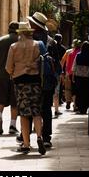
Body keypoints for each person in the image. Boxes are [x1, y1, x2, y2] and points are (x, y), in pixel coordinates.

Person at [5, 22, 46, 155]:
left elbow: (8, 67)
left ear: (20, 33)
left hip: (20, 82)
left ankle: (26, 144)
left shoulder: (14, 46)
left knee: (24, 113)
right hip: (35, 81)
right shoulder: (37, 45)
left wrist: (13, 73)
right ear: (30, 32)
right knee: (36, 111)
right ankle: (39, 136)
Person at [27, 12, 59, 148]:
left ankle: (25, 135)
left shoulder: (29, 41)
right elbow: (57, 65)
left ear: (34, 25)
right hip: (47, 81)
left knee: (28, 108)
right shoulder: (52, 42)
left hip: (30, 79)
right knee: (46, 109)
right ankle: (46, 137)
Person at [0, 21, 19, 135]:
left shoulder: (0, 40)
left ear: (8, 29)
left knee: (0, 98)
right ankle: (12, 125)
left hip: (2, 75)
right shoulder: (20, 41)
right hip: (16, 75)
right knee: (14, 101)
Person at [61, 39, 81, 111]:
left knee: (68, 89)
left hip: (68, 73)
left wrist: (62, 72)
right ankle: (75, 104)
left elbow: (62, 62)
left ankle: (68, 101)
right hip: (77, 73)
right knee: (75, 89)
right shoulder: (81, 52)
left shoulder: (68, 52)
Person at [72, 41, 89, 114]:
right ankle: (85, 107)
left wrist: (73, 76)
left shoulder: (78, 55)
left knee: (79, 93)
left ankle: (80, 107)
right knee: (86, 93)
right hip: (87, 77)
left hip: (79, 77)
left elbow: (74, 66)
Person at [53, 33, 66, 117]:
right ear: (60, 39)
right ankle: (56, 109)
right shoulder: (63, 49)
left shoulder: (51, 47)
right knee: (58, 90)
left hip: (51, 70)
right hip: (58, 70)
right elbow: (64, 61)